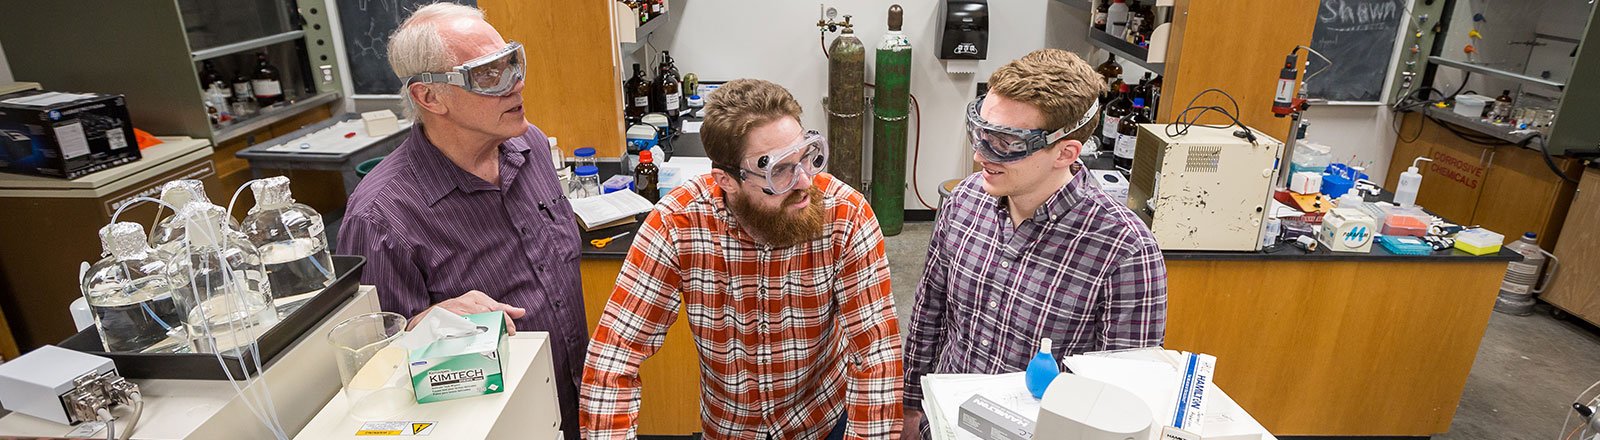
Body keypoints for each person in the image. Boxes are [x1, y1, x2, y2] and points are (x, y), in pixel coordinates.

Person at [580, 79, 903, 439]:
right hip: (730, 428)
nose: (803, 182)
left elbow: (875, 353)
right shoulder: (678, 223)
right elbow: (613, 358)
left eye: (806, 157)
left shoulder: (844, 214)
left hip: (821, 421)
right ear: (726, 180)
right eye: (778, 170)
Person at [336, 4, 586, 439]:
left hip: (576, 398)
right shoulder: (381, 217)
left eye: (512, 62)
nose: (516, 83)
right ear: (429, 97)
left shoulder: (528, 145)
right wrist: (423, 324)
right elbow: (373, 368)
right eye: (488, 74)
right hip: (493, 422)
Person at [902, 49, 1168, 437]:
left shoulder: (1125, 251)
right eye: (980, 132)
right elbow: (929, 313)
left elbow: (1121, 402)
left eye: (1005, 144)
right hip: (943, 424)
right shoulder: (965, 201)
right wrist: (912, 408)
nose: (979, 155)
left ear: (1065, 152)